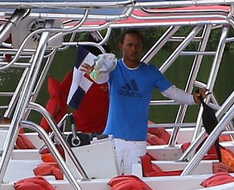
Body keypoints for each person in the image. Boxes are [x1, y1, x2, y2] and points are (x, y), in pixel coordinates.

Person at [70, 29, 213, 177]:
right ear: (121, 46)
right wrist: (93, 72)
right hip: (113, 138)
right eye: (129, 45)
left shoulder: (150, 72)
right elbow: (100, 78)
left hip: (137, 141)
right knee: (111, 181)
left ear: (141, 47)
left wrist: (193, 99)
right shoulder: (114, 68)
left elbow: (173, 92)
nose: (133, 49)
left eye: (137, 45)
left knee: (135, 182)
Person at [45, 43, 113, 139]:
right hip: (82, 132)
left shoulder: (110, 77)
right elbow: (59, 96)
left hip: (105, 131)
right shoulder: (76, 74)